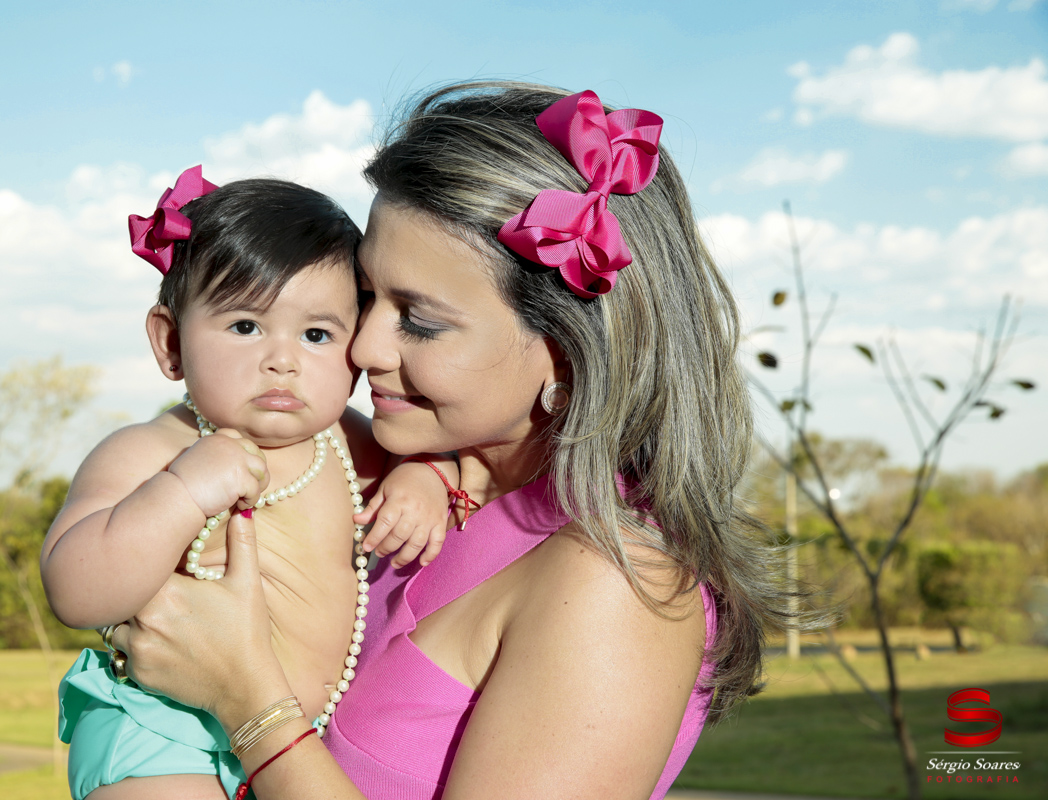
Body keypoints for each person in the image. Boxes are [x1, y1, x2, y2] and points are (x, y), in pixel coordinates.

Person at [106, 82, 789, 800]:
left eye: (421, 321)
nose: (363, 346)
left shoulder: (614, 586)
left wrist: (248, 702)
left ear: (564, 349)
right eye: (366, 298)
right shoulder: (383, 480)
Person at [41, 172, 461, 799]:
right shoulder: (153, 451)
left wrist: (427, 478)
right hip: (164, 730)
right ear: (171, 342)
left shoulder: (357, 447)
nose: (283, 359)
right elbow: (75, 591)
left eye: (317, 335)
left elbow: (447, 460)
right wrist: (182, 490)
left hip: (299, 740)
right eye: (246, 326)